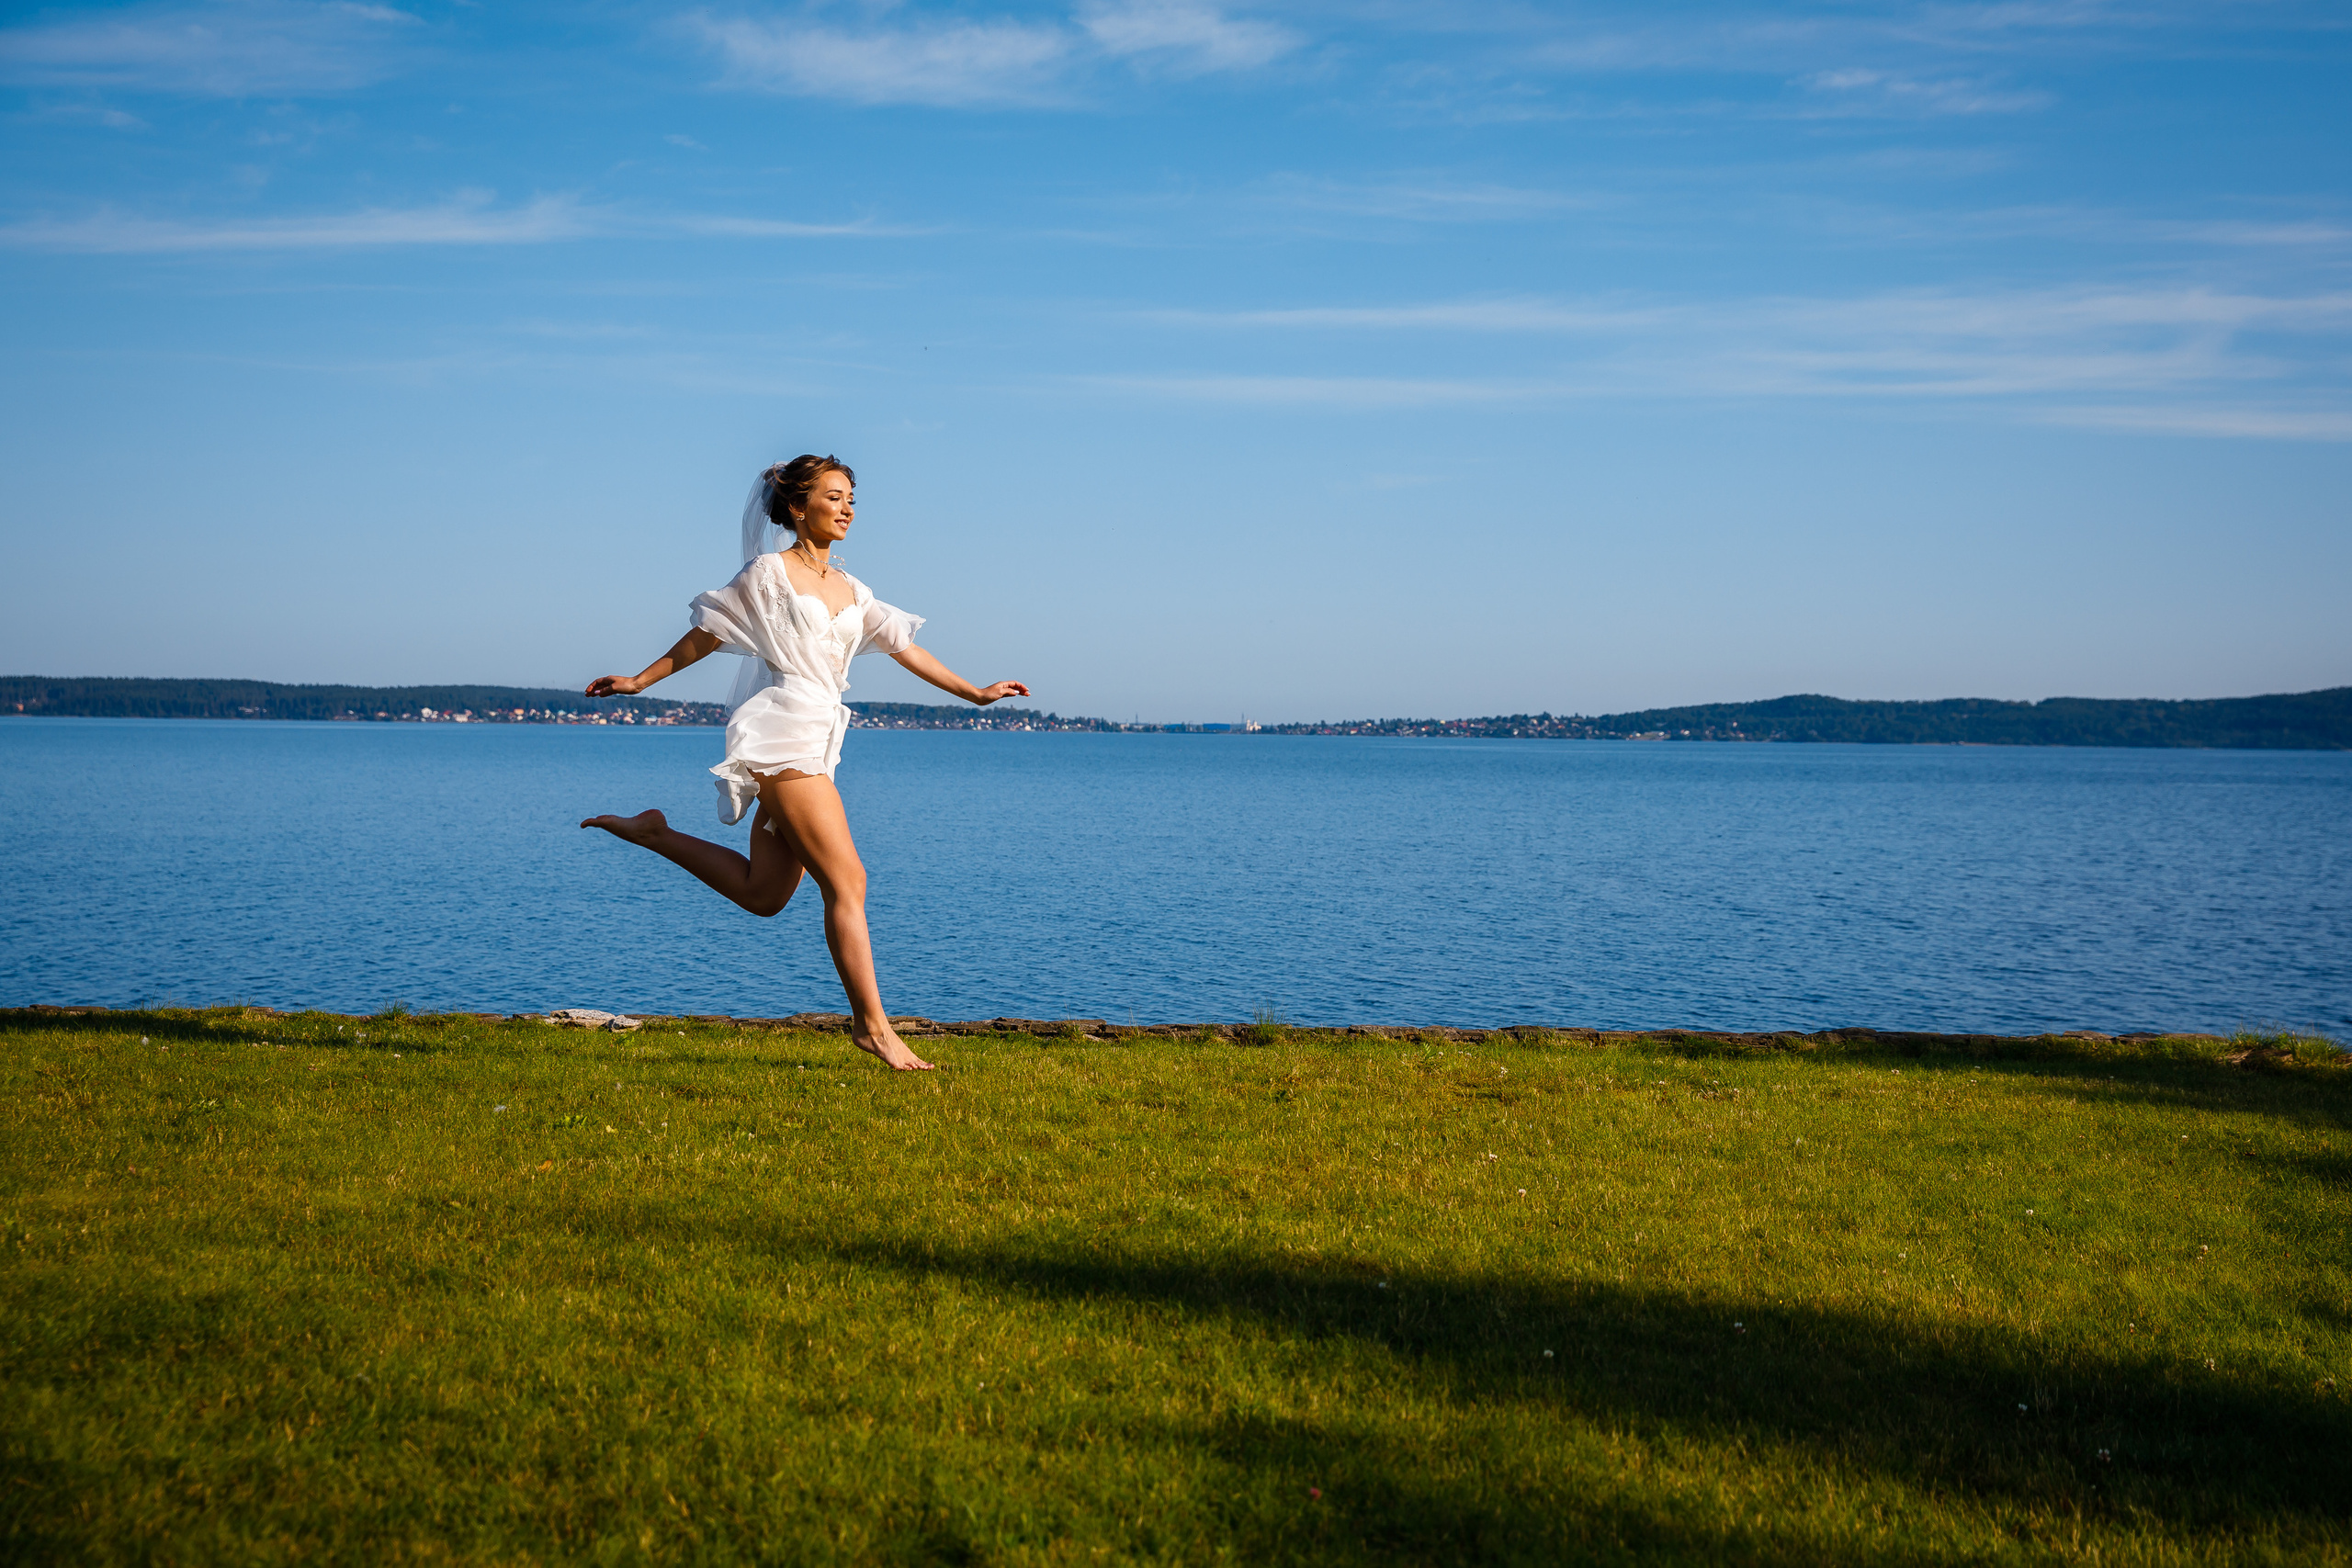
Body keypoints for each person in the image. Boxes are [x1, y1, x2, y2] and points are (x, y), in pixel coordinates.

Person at [581, 454, 1029, 1070]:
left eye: (852, 498)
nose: (847, 507)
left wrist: (976, 693)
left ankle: (655, 833)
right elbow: (706, 634)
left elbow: (907, 648)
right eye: (834, 496)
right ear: (798, 507)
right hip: (782, 734)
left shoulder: (853, 589)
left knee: (763, 893)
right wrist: (639, 679)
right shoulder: (768, 575)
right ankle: (874, 1028)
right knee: (848, 880)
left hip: (820, 739)